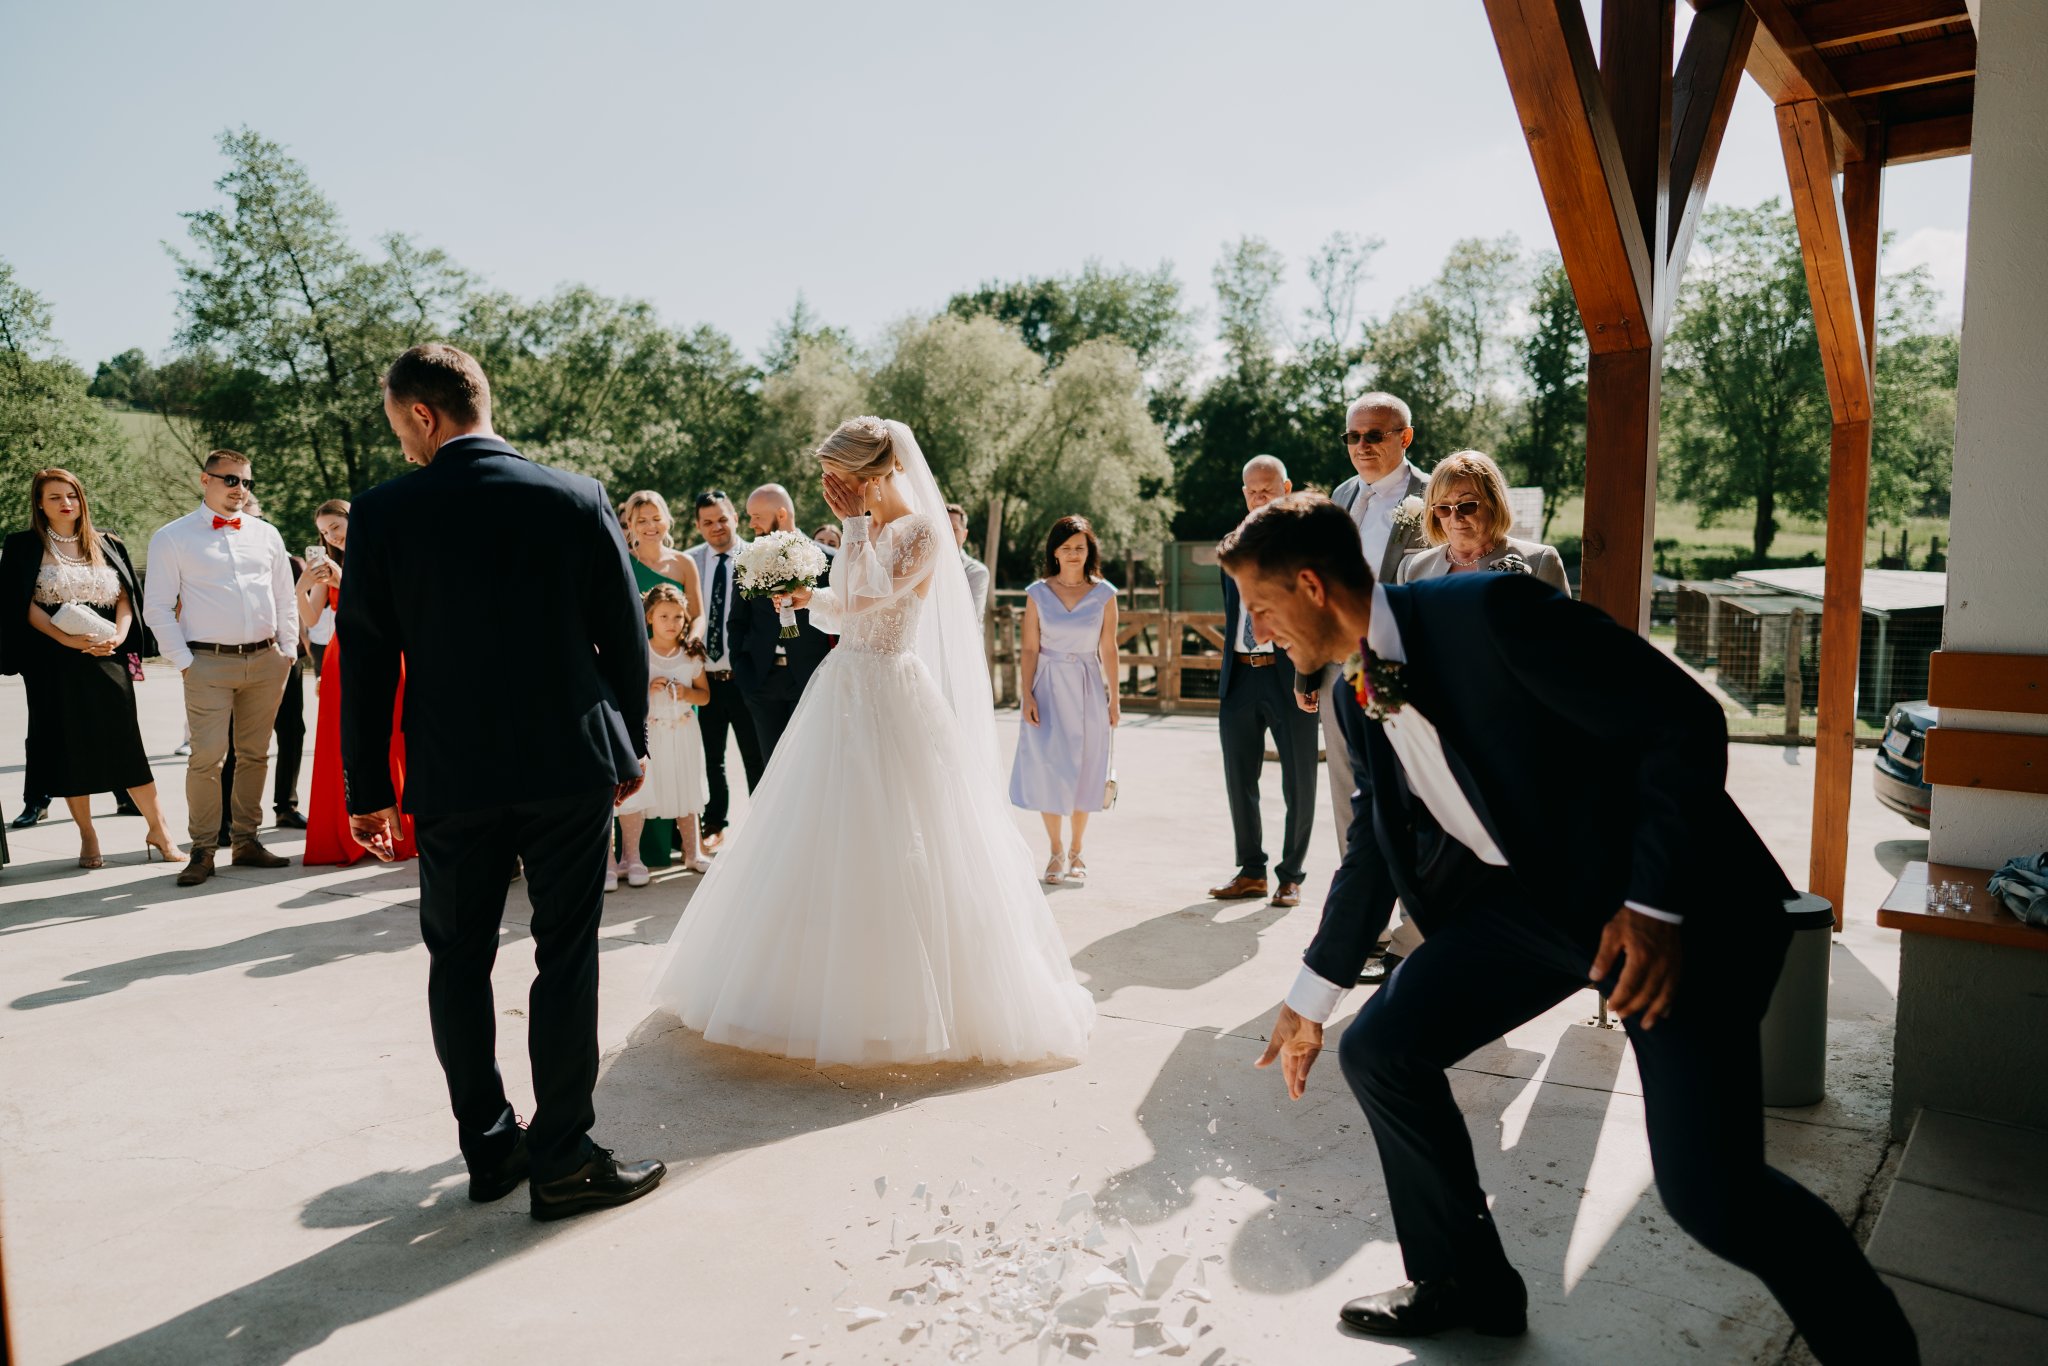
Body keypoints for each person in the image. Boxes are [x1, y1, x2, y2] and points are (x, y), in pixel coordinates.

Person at [1226, 493, 1916, 1363]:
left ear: (1311, 586)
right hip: (1538, 908)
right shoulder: (1355, 690)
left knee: (1713, 1194)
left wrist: (1654, 906)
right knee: (1382, 1048)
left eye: (1260, 608)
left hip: (1675, 913)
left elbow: (1683, 721)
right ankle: (1465, 1283)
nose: (1256, 632)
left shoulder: (1492, 613)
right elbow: (1373, 846)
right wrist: (1310, 998)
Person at [645, 416, 1093, 1067]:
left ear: (872, 475)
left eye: (840, 477)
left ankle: (904, 1000)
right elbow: (843, 604)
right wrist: (805, 597)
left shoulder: (920, 532)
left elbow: (869, 598)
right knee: (816, 828)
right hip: (841, 683)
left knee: (899, 829)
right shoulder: (871, 528)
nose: (833, 489)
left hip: (890, 689)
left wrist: (851, 534)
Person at [341, 342, 663, 1222]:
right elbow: (624, 635)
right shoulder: (575, 496)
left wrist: (367, 787)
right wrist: (629, 745)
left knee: (458, 958)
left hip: (453, 772)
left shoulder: (383, 512)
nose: (401, 441)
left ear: (422, 414)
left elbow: (365, 659)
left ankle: (489, 1149)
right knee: (567, 954)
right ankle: (564, 1160)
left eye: (397, 425)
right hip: (568, 763)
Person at [0, 469, 180, 867]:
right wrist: (63, 639)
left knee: (127, 745)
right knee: (68, 749)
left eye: (72, 495)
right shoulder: (22, 545)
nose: (66, 503)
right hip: (52, 662)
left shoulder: (107, 542)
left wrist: (119, 636)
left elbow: (126, 597)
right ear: (39, 504)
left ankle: (160, 829)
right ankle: (87, 834)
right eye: (54, 497)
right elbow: (19, 603)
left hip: (107, 655)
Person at [143, 449, 299, 886]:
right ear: (205, 479)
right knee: (207, 758)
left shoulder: (267, 534)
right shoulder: (172, 537)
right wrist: (184, 662)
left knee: (255, 755)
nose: (239, 489)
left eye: (246, 482)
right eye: (230, 480)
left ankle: (247, 841)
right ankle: (203, 850)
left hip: (267, 661)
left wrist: (287, 649)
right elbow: (156, 606)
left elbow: (284, 596)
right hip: (207, 662)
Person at [1208, 457, 1317, 911]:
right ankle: (1251, 871)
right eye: (1252, 491)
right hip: (1239, 676)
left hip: (1289, 674)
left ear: (1286, 489)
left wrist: (1309, 674)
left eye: (1267, 489)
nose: (1259, 497)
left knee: (1299, 780)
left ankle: (1291, 877)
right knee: (1239, 780)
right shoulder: (1231, 546)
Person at [297, 499, 414, 868]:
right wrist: (301, 588)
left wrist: (343, 579)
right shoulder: (330, 567)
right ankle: (349, 824)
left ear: (353, 520)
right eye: (324, 532)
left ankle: (402, 825)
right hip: (340, 656)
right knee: (343, 739)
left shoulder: (381, 555)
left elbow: (386, 606)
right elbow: (311, 617)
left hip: (387, 655)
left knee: (390, 735)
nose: (332, 536)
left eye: (336, 526)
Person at [1009, 515, 1119, 885]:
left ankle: (1077, 849)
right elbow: (1029, 648)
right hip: (1047, 686)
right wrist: (1026, 693)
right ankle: (1056, 850)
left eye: (1080, 547)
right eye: (1066, 547)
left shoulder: (1105, 595)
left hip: (1088, 687)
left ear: (1090, 551)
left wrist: (1115, 700)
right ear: (1054, 552)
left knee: (1086, 767)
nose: (1073, 554)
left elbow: (1109, 649)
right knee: (1049, 767)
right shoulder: (1037, 593)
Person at [612, 584, 711, 888]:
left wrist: (686, 693)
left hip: (683, 731)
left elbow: (705, 696)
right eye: (664, 616)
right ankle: (630, 857)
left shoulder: (691, 654)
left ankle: (692, 851)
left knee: (686, 785)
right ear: (650, 618)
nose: (672, 623)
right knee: (641, 792)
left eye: (678, 617)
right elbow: (623, 694)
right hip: (650, 733)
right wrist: (647, 689)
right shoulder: (640, 652)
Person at [683, 490, 765, 851]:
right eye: (707, 522)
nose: (716, 527)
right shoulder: (689, 562)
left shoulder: (758, 558)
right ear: (698, 526)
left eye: (722, 519)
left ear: (734, 517)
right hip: (705, 680)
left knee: (754, 756)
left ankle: (762, 826)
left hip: (745, 677)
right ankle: (715, 823)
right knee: (712, 758)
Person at [734, 483, 834, 759]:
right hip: (762, 681)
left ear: (781, 514)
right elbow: (738, 621)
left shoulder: (827, 560)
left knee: (811, 763)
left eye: (756, 516)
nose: (751, 524)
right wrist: (742, 668)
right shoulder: (746, 560)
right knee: (771, 766)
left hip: (811, 679)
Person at [1400, 450, 1568, 592]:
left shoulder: (1539, 562)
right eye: (1443, 507)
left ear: (1494, 503)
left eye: (1467, 505)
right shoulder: (1414, 568)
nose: (1455, 518)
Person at [621, 490, 705, 624]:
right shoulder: (622, 563)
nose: (651, 526)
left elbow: (697, 617)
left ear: (667, 520)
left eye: (657, 519)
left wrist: (692, 637)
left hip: (680, 639)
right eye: (642, 521)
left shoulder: (685, 563)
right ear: (630, 524)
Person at [947, 502, 990, 621]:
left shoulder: (977, 572)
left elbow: (970, 617)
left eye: (954, 529)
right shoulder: (922, 566)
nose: (947, 534)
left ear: (964, 535)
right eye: (943, 528)